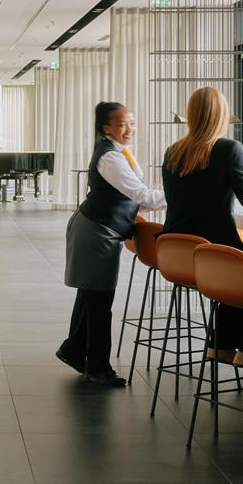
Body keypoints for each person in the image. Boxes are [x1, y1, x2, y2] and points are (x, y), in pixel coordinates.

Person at [160, 87, 243, 368]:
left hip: (180, 257)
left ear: (191, 115)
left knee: (237, 272)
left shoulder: (173, 152)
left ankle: (220, 344)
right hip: (215, 254)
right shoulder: (228, 149)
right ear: (222, 115)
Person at [56, 101, 165, 386]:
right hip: (96, 230)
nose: (129, 129)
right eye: (122, 124)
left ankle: (73, 350)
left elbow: (134, 195)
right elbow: (141, 195)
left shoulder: (118, 151)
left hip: (98, 227)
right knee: (99, 300)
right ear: (106, 128)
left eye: (132, 123)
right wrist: (180, 194)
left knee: (90, 294)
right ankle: (98, 368)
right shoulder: (110, 158)